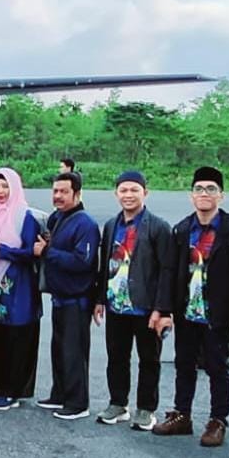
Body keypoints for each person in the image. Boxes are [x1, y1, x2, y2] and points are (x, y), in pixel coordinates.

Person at [152, 167, 229, 447]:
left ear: (221, 196)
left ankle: (217, 420)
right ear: (191, 196)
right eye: (199, 189)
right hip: (187, 311)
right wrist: (164, 310)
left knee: (216, 366)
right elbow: (169, 272)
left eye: (211, 189)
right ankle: (182, 415)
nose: (204, 194)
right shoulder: (183, 230)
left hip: (218, 314)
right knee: (184, 364)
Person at [92, 170, 173, 431]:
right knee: (116, 356)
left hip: (145, 307)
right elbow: (105, 265)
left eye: (134, 190)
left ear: (145, 193)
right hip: (117, 304)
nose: (128, 195)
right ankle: (118, 403)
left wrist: (161, 309)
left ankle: (146, 409)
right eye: (123, 190)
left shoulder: (158, 227)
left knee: (149, 360)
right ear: (116, 194)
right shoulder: (111, 225)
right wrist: (100, 299)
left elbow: (166, 271)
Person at [37, 171, 101, 420]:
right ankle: (60, 393)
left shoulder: (85, 223)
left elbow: (83, 262)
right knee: (59, 348)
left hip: (78, 298)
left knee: (74, 351)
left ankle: (77, 402)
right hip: (59, 296)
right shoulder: (56, 218)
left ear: (77, 193)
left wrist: (47, 251)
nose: (58, 196)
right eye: (55, 191)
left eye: (64, 191)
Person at [0, 167, 43, 412]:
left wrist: (2, 251)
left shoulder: (24, 215)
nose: (0, 191)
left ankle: (12, 390)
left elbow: (31, 253)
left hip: (19, 286)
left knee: (17, 338)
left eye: (5, 186)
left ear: (15, 187)